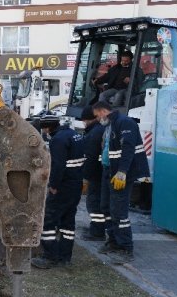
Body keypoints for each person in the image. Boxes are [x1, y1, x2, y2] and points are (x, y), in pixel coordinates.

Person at [92, 101, 150, 264]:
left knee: (119, 212)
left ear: (103, 111)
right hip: (109, 171)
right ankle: (113, 241)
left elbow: (128, 148)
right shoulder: (110, 125)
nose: (97, 119)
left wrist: (122, 172)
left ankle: (126, 247)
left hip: (121, 174)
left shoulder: (125, 123)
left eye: (97, 116)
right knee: (106, 207)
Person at [31, 113, 85, 269]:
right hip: (75, 185)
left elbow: (58, 166)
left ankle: (50, 257)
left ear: (47, 128)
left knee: (48, 220)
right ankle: (65, 257)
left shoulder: (58, 140)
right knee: (67, 222)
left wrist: (53, 185)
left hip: (63, 187)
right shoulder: (74, 135)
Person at [79, 106, 106, 241]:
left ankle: (97, 231)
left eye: (84, 120)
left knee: (94, 203)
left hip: (96, 174)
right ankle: (96, 228)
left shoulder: (94, 133)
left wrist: (86, 177)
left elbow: (90, 157)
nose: (84, 123)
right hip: (100, 173)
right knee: (96, 202)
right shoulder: (97, 130)